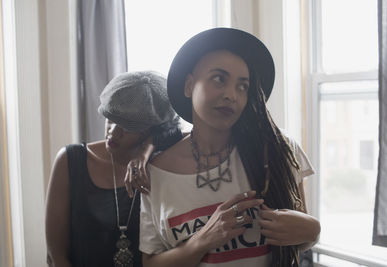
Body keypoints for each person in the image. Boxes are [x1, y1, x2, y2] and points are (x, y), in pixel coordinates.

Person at [139, 28, 321, 267]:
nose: (231, 95)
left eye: (242, 86)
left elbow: (299, 238)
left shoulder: (276, 151)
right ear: (188, 85)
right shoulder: (155, 174)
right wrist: (201, 241)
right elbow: (150, 263)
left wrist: (313, 231)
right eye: (219, 79)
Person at [45, 71, 183, 267]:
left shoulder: (161, 164)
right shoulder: (70, 160)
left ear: (151, 131)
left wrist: (146, 151)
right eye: (111, 119)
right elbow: (56, 256)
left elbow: (180, 132)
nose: (113, 132)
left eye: (127, 127)